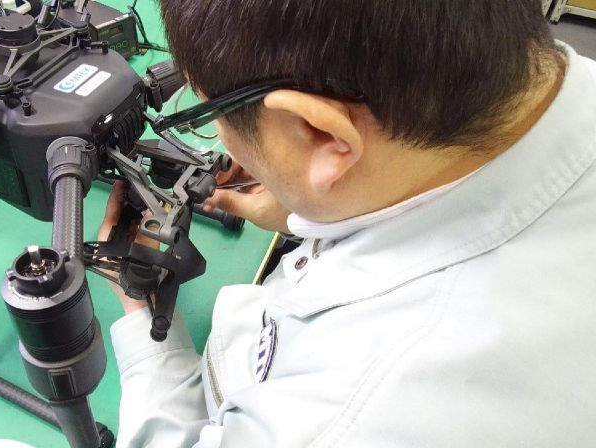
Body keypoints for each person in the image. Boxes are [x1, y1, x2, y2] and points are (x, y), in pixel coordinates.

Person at [98, 1, 596, 446]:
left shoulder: (353, 415)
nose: (220, 144)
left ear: (320, 132)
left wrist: (145, 312)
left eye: (206, 116)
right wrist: (310, 196)